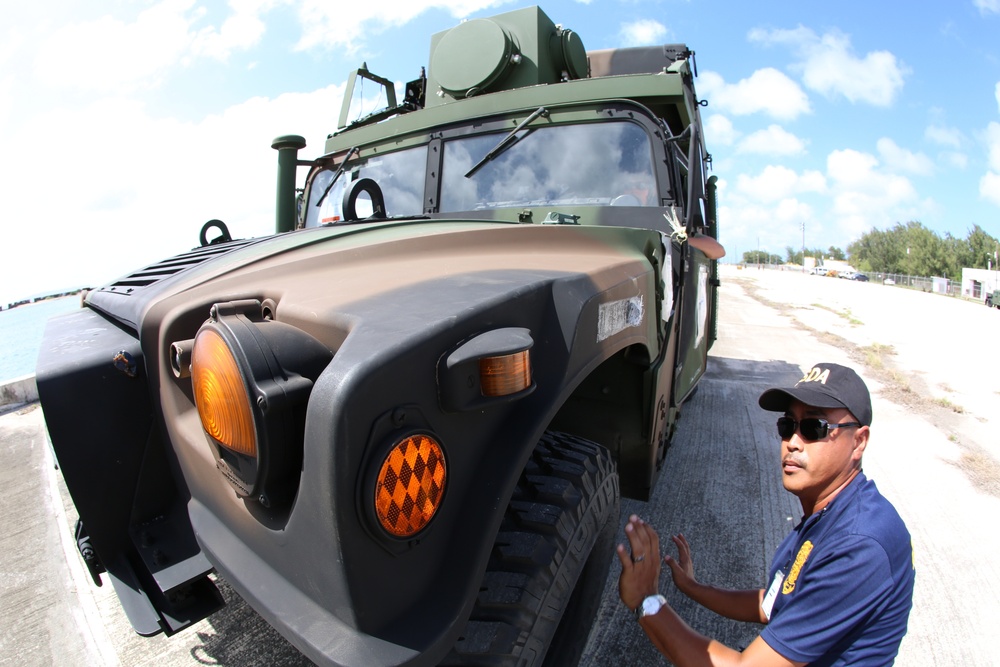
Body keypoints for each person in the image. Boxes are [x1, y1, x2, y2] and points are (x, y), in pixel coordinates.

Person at [617, 362, 915, 666]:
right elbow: (774, 601)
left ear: (859, 442)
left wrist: (647, 600)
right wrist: (694, 588)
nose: (792, 442)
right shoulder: (830, 514)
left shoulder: (860, 545)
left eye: (814, 428)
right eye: (788, 426)